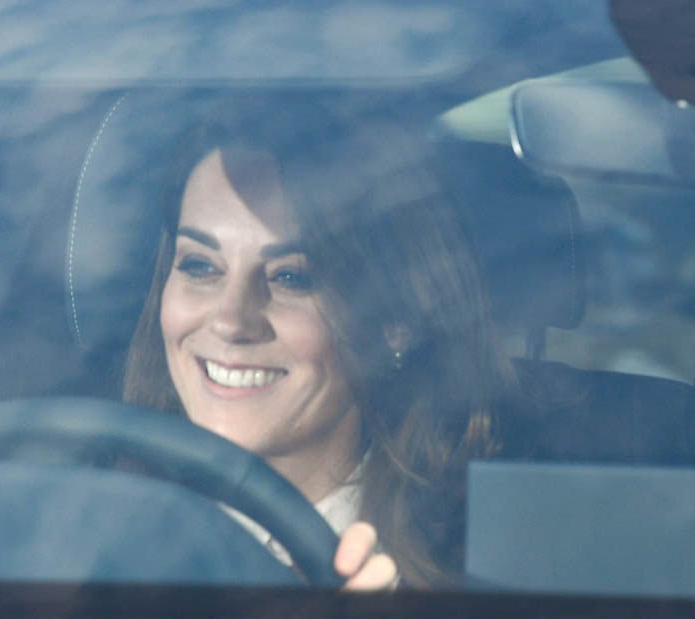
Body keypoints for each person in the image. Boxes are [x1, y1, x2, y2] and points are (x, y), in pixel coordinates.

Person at [122, 97, 516, 589]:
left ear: (396, 322)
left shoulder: (481, 573)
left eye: (291, 277)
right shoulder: (82, 528)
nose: (230, 321)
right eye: (200, 266)